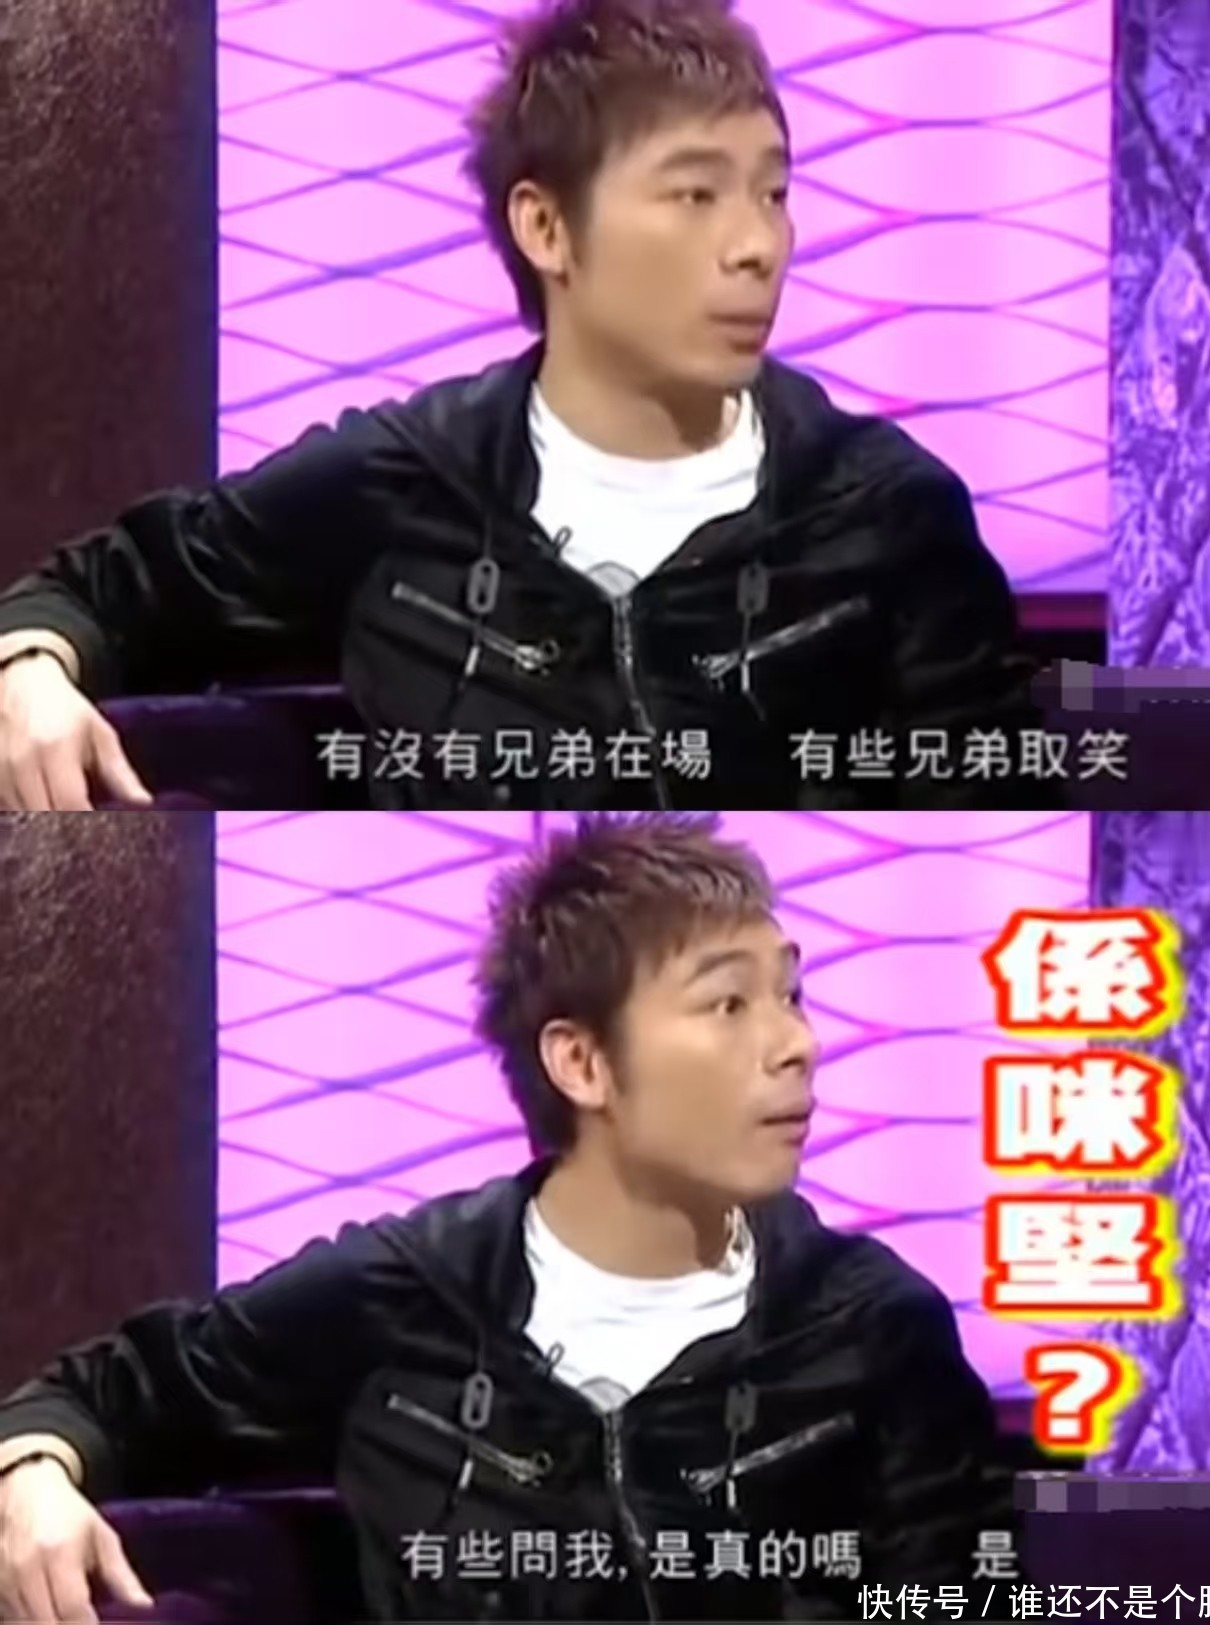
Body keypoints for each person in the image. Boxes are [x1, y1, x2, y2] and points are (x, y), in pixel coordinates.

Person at [0, 0, 1050, 815]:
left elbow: (995, 810)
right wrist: (29, 667)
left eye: (772, 193)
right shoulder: (405, 476)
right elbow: (101, 587)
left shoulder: (886, 512)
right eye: (696, 195)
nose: (756, 245)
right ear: (546, 228)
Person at [0, 813, 1020, 1624]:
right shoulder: (407, 1287)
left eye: (792, 995)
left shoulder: (873, 1324)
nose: (797, 1043)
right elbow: (111, 1388)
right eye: (728, 1004)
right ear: (581, 1062)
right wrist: (33, 1470)